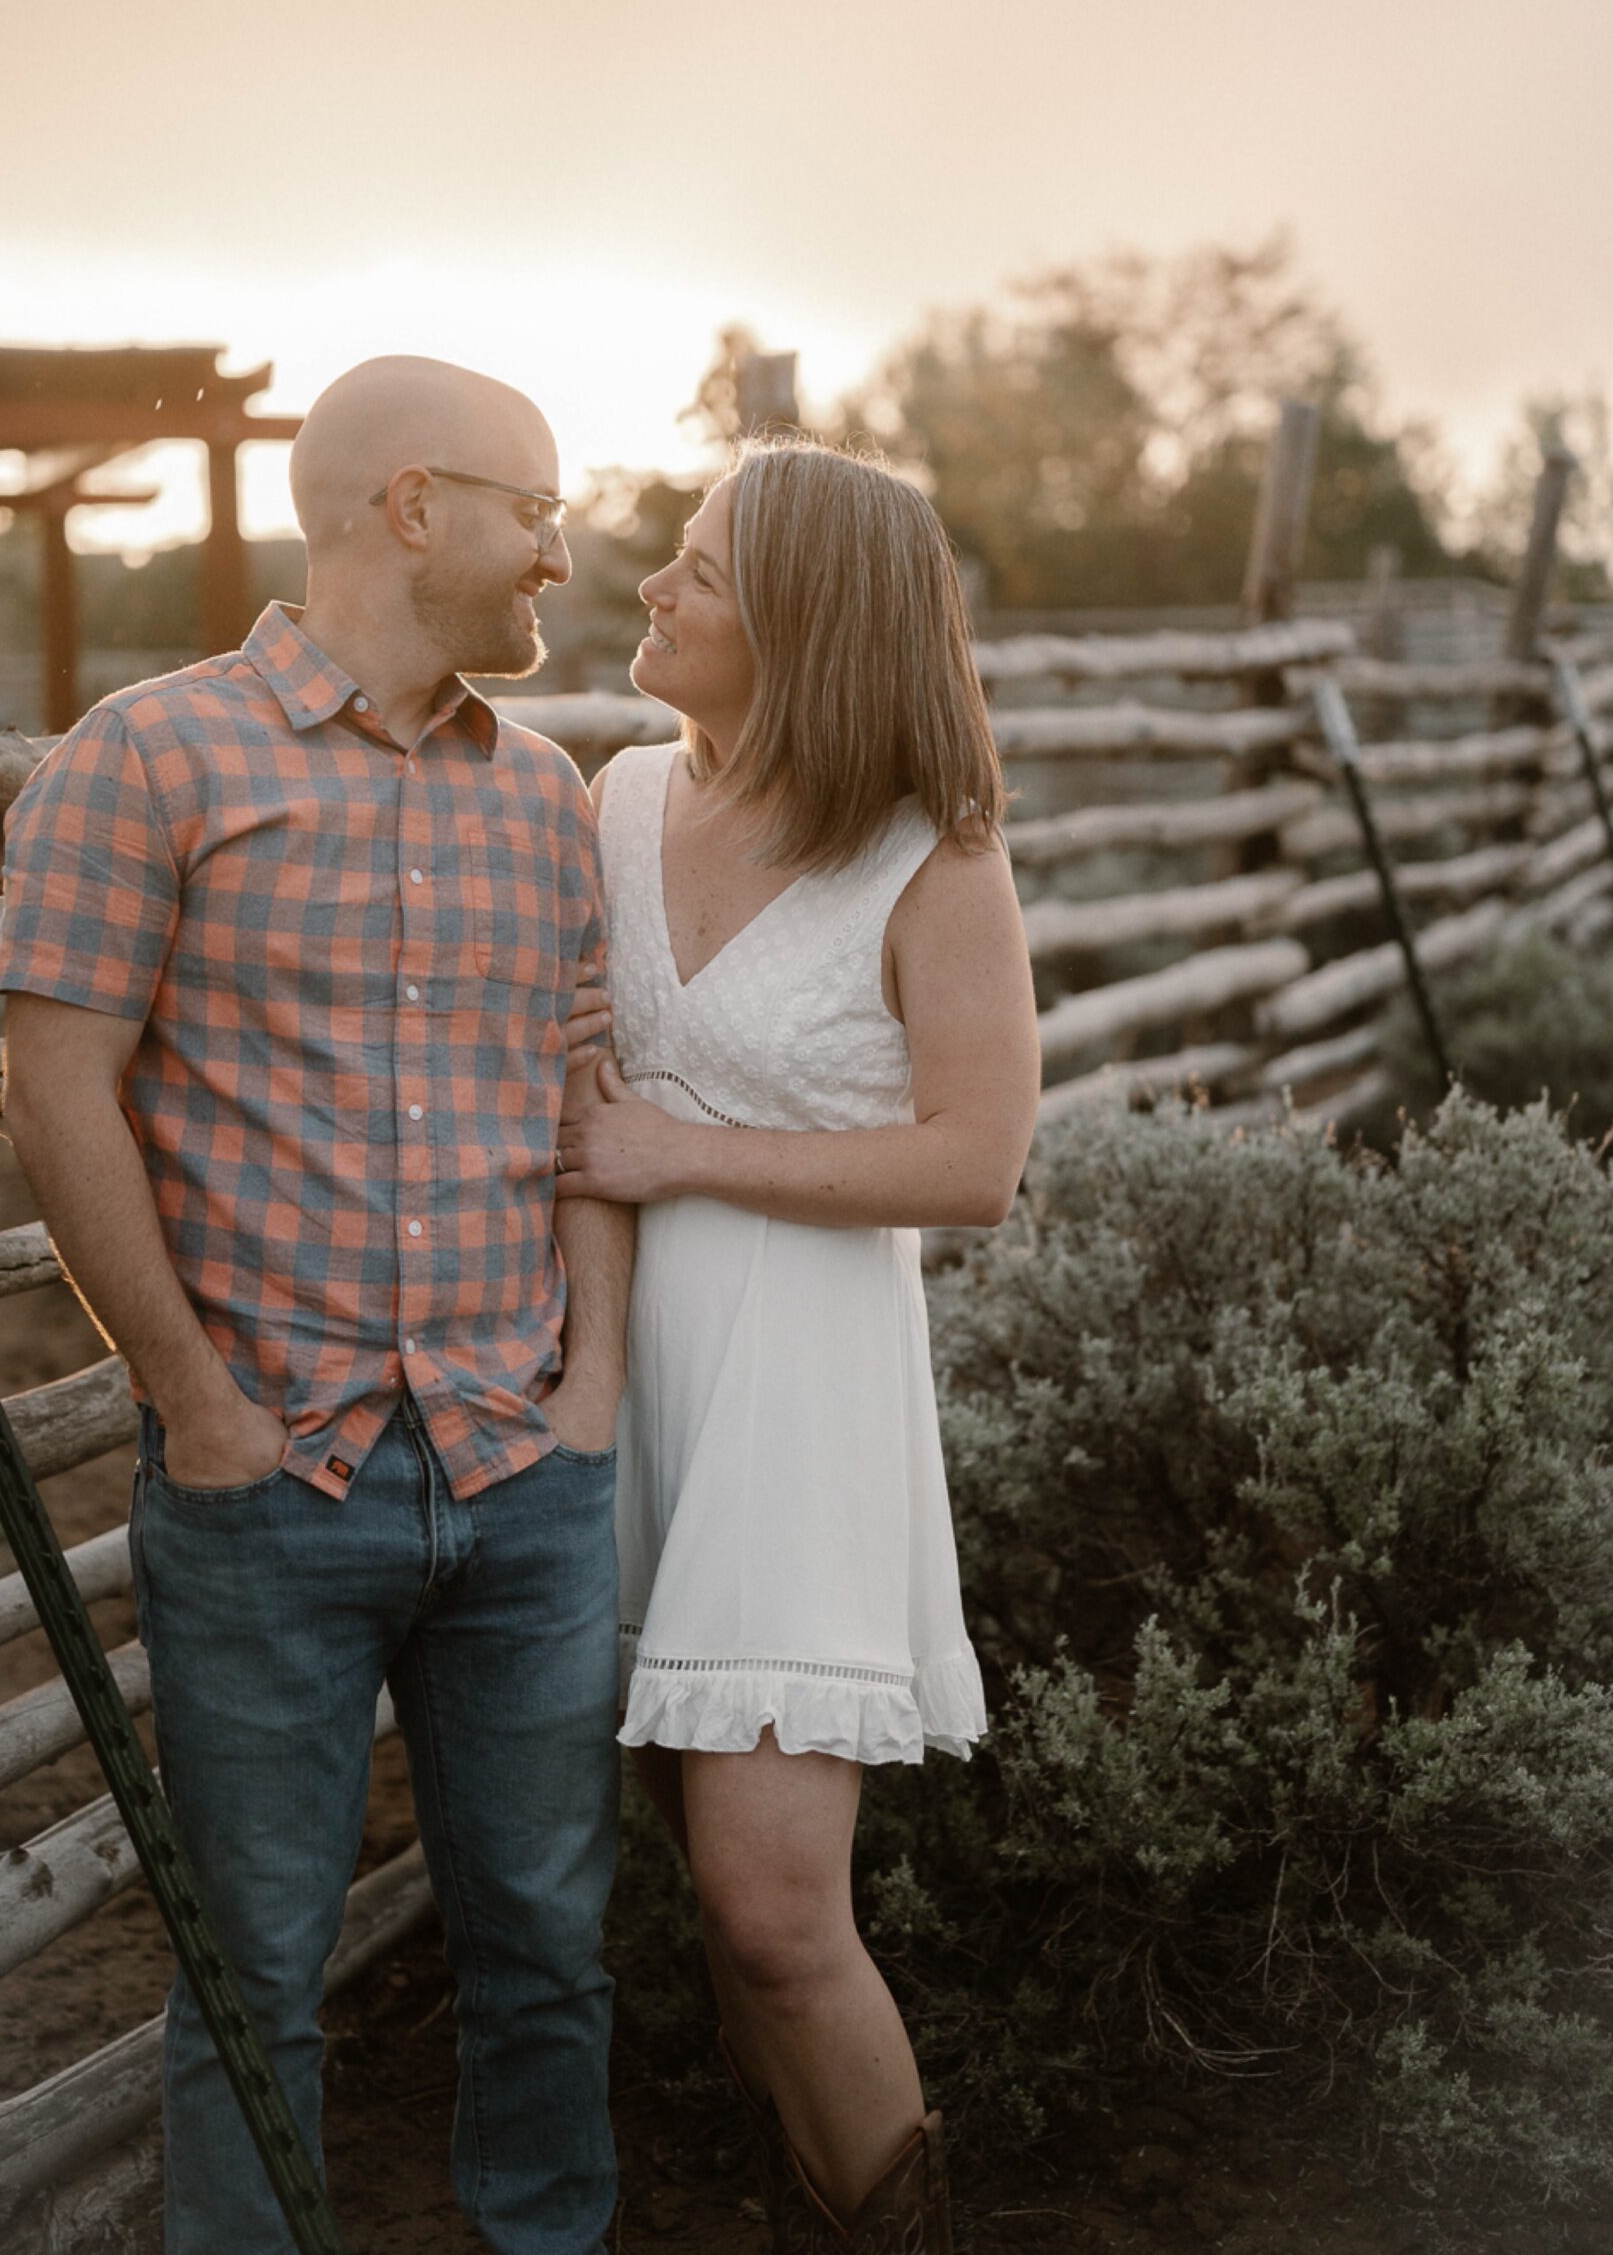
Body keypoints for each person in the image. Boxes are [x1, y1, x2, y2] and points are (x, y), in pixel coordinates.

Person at [0, 357, 633, 2255]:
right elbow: (55, 1090)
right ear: (415, 506)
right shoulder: (149, 757)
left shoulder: (548, 798)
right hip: (270, 1482)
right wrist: (193, 1402)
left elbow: (583, 1099)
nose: (561, 555)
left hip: (526, 1474)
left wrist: (591, 1385)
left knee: (547, 1953)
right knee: (255, 1978)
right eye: (538, 510)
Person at [554, 436, 1040, 2252]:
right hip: (619, 1367)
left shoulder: (936, 860)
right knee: (709, 1900)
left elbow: (976, 1164)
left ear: (809, 622)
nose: (654, 587)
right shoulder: (609, 800)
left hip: (802, 1396)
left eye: (698, 567)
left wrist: (676, 1145)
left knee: (774, 1911)